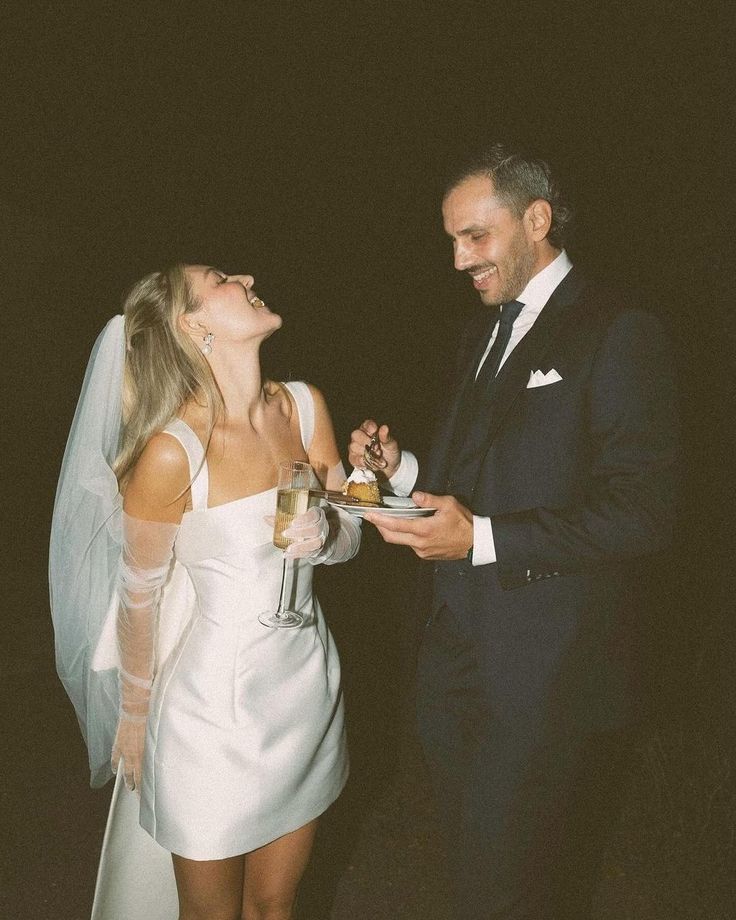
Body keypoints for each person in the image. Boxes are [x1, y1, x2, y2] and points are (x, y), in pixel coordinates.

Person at [349, 144, 679, 919]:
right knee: (476, 866)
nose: (461, 258)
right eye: (452, 241)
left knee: (505, 884)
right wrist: (400, 472)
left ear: (537, 218)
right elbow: (474, 486)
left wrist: (485, 540)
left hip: (542, 670)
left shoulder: (618, 328)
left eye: (476, 236)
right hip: (455, 652)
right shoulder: (483, 333)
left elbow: (644, 513)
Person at [50, 264, 361, 920]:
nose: (245, 275)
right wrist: (133, 717)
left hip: (307, 693)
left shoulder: (304, 405)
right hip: (211, 719)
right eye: (221, 277)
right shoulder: (173, 453)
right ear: (195, 326)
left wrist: (338, 520)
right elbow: (140, 595)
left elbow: (351, 524)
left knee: (276, 907)